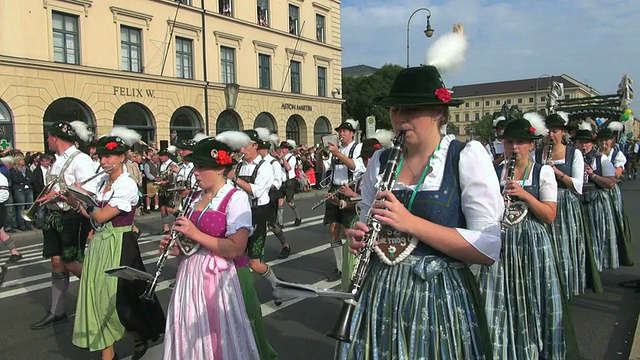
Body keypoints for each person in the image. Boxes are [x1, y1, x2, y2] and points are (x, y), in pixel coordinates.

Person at [340, 65, 503, 359]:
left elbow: (488, 247)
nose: (400, 118)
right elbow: (368, 221)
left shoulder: (464, 156)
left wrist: (412, 223)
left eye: (411, 109)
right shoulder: (379, 161)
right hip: (380, 295)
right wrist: (360, 237)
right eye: (395, 109)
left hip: (439, 300)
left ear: (438, 112)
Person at [477, 115, 579, 359]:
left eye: (521, 142)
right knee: (499, 299)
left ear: (531, 144)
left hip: (531, 243)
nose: (514, 147)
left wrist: (525, 194)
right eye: (510, 142)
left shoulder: (542, 172)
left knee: (533, 297)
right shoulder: (494, 171)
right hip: (500, 241)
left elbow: (549, 215)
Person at [68, 127, 165, 360]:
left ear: (122, 157)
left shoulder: (126, 184)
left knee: (121, 297)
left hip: (120, 243)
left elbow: (100, 215)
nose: (103, 161)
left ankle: (137, 333)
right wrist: (71, 197)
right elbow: (89, 215)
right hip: (101, 243)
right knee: (101, 298)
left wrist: (86, 201)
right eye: (100, 157)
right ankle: (113, 349)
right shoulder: (102, 181)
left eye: (108, 156)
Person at [160, 136, 260, 359]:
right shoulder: (194, 197)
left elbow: (236, 248)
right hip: (191, 273)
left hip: (220, 278)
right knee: (188, 329)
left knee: (216, 334)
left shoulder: (236, 198)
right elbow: (192, 241)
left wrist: (194, 233)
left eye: (202, 166)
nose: (196, 172)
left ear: (220, 169)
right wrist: (177, 247)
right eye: (196, 166)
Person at [30, 121, 98, 330]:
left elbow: (90, 192)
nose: (47, 140)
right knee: (56, 261)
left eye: (48, 137)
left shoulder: (81, 159)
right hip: (54, 215)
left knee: (71, 261)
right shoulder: (57, 160)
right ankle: (57, 311)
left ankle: (98, 293)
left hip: (73, 216)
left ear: (54, 137)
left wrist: (59, 193)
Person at [534, 112, 588, 299]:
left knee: (565, 244)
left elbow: (578, 184)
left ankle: (567, 286)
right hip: (544, 202)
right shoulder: (537, 153)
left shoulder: (574, 153)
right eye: (548, 131)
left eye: (555, 131)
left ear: (563, 132)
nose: (551, 135)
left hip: (565, 203)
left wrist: (556, 172)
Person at [226, 130, 281, 287]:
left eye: (244, 146)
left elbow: (256, 191)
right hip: (239, 213)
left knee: (255, 263)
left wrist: (234, 178)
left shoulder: (266, 166)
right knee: (235, 256)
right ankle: (240, 290)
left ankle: (276, 283)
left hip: (257, 214)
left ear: (255, 145)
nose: (241, 151)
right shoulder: (240, 165)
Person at [324, 119, 365, 282]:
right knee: (333, 230)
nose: (341, 134)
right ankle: (340, 268)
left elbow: (356, 166)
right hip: (334, 189)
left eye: (344, 131)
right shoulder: (337, 149)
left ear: (352, 134)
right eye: (340, 131)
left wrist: (338, 153)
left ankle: (354, 266)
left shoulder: (357, 148)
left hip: (349, 190)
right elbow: (325, 168)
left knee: (349, 231)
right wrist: (323, 155)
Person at [574, 123, 618, 271]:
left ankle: (596, 267)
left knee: (596, 235)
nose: (583, 146)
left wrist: (593, 175)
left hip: (596, 202)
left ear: (592, 144)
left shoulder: (602, 159)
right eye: (580, 142)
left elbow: (610, 183)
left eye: (586, 142)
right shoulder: (572, 159)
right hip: (577, 202)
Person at [597, 123, 633, 266]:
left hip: (611, 191)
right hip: (598, 192)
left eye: (606, 140)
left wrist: (603, 164)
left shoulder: (616, 154)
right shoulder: (596, 153)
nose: (604, 143)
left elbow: (617, 174)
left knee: (614, 219)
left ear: (611, 141)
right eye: (601, 140)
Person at [255, 128, 291, 259]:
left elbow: (278, 180)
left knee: (271, 224)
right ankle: (257, 249)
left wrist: (268, 185)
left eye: (259, 149)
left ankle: (285, 245)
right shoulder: (257, 162)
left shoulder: (273, 162)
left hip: (271, 194)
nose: (258, 151)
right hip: (258, 195)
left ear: (264, 149)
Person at [277, 140, 302, 227]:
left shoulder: (292, 158)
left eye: (284, 148)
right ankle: (280, 223)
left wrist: (283, 158)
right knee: (279, 202)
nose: (282, 150)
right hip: (281, 182)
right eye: (282, 148)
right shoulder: (279, 158)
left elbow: (288, 168)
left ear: (288, 150)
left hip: (290, 182)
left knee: (289, 202)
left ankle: (298, 217)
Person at [0, 170, 22, 263]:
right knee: (1, 232)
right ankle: (15, 252)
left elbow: (4, 194)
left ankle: (15, 252)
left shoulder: (1, 177)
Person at [9, 155, 34, 231]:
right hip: (19, 190)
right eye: (21, 160)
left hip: (28, 189)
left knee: (29, 207)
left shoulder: (27, 169)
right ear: (17, 161)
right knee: (21, 207)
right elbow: (16, 179)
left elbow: (31, 178)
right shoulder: (13, 170)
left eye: (23, 160)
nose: (23, 161)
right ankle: (21, 224)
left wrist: (25, 180)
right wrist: (25, 180)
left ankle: (28, 224)